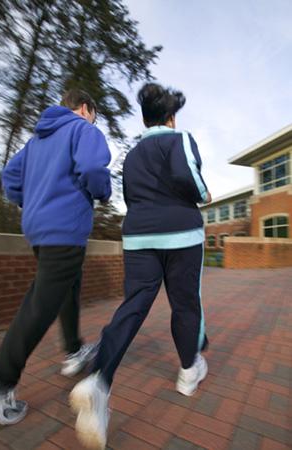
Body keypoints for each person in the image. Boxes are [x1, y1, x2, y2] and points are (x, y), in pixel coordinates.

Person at [70, 82, 212, 450]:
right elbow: (189, 178)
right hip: (181, 235)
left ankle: (98, 381)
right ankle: (187, 372)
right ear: (170, 117)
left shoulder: (132, 155)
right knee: (185, 302)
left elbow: (131, 197)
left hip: (138, 236)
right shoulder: (179, 138)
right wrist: (204, 193)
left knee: (133, 306)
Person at [0, 88, 112, 425]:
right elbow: (92, 168)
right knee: (41, 303)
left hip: (39, 228)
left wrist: (32, 202)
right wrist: (101, 191)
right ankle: (0, 378)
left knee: (66, 287)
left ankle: (74, 349)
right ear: (86, 109)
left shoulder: (36, 141)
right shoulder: (84, 129)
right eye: (94, 114)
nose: (93, 120)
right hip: (65, 228)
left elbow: (10, 177)